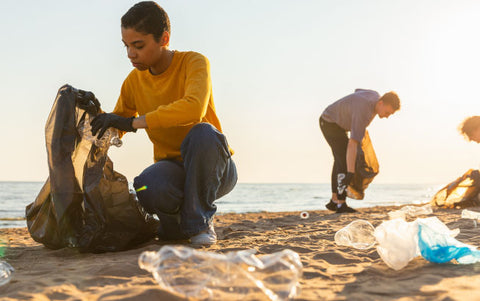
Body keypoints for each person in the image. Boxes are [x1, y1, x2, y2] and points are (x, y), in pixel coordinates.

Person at [91, 1, 237, 246]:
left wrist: (136, 122)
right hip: (172, 171)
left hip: (215, 168)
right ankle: (174, 229)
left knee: (203, 132)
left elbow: (193, 108)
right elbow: (119, 124)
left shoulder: (194, 62)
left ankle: (199, 223)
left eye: (138, 45)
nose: (130, 54)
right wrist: (90, 127)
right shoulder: (133, 81)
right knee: (146, 186)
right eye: (126, 46)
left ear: (164, 39)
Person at [319, 89, 400, 213]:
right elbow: (352, 143)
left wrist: (350, 106)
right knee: (344, 160)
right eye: (387, 112)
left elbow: (358, 91)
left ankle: (334, 200)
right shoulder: (363, 113)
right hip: (329, 122)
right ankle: (340, 204)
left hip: (338, 124)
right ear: (381, 103)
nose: (387, 116)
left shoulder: (374, 95)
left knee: (340, 159)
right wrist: (350, 172)